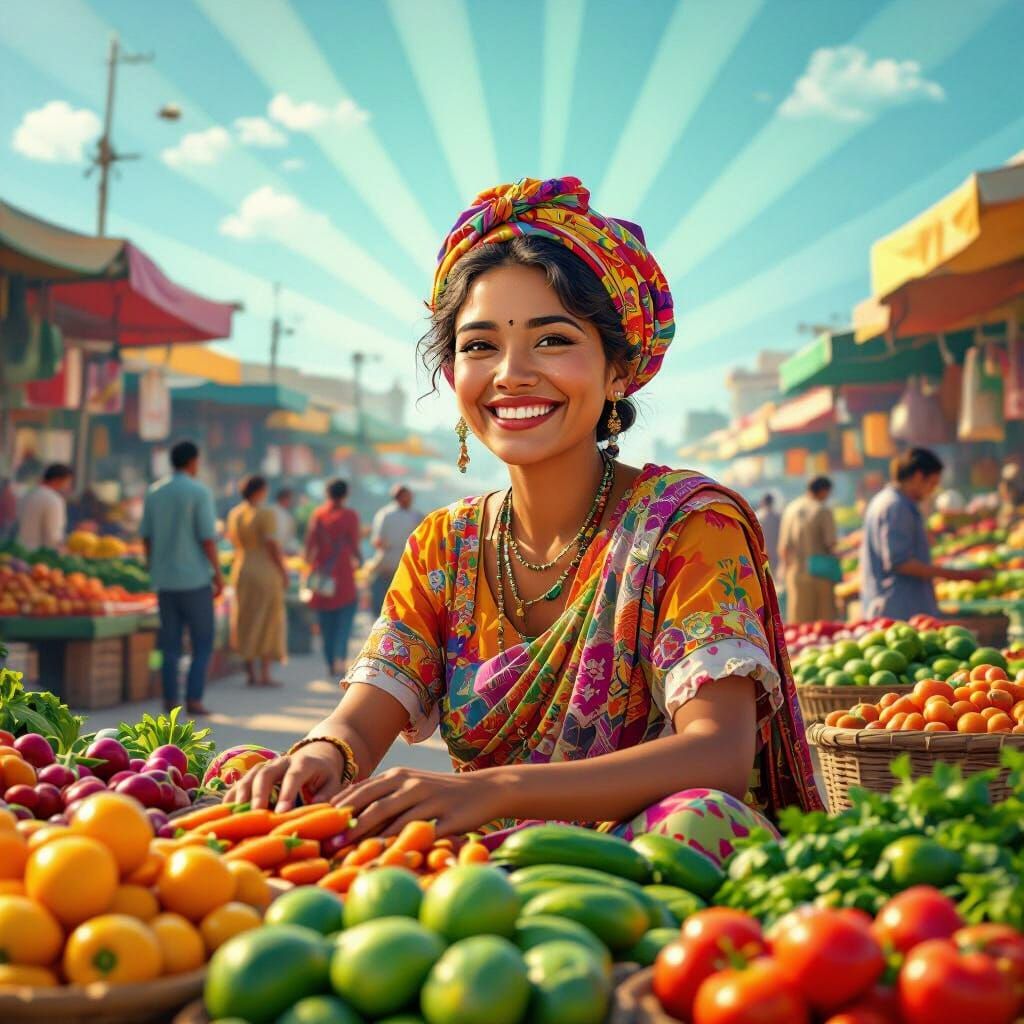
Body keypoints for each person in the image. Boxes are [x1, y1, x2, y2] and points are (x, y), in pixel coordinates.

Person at [226, 176, 821, 854]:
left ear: (619, 370)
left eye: (552, 340)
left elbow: (715, 755)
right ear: (454, 375)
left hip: (643, 870)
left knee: (702, 821)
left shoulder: (688, 528)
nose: (511, 373)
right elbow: (362, 724)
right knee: (248, 776)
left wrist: (496, 791)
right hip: (480, 869)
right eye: (480, 346)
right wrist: (324, 752)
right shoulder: (443, 546)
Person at [140, 440, 224, 715]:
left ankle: (169, 699)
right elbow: (207, 539)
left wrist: (154, 568)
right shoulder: (199, 492)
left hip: (165, 582)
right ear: (192, 462)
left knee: (170, 644)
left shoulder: (155, 492)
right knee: (202, 641)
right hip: (195, 580)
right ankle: (194, 699)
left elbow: (147, 538)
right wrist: (218, 575)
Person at [862, 448, 990, 620]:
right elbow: (901, 563)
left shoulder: (885, 500)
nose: (932, 490)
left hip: (894, 606)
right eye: (932, 484)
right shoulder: (896, 506)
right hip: (899, 610)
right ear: (918, 476)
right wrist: (958, 575)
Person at [226, 475, 288, 688]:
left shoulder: (235, 514)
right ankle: (265, 674)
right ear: (260, 490)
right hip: (264, 570)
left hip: (242, 569)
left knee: (246, 618)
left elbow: (233, 542)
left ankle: (251, 672)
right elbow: (272, 546)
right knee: (268, 620)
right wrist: (283, 571)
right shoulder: (265, 513)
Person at [304, 478, 361, 678]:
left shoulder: (318, 514)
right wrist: (360, 560)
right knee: (343, 624)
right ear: (345, 494)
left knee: (325, 624)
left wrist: (309, 568)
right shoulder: (350, 515)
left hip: (323, 575)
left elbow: (310, 545)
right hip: (344, 575)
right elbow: (354, 544)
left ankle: (330, 661)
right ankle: (340, 660)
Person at [778, 476, 837, 624]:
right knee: (822, 628)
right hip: (819, 576)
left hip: (795, 574)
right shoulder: (822, 510)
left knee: (799, 626)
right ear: (824, 491)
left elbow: (783, 547)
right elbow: (831, 544)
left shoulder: (790, 509)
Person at [369, 485, 422, 614]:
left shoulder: (386, 514)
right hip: (396, 566)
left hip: (395, 564)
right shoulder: (390, 515)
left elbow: (377, 542)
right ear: (400, 497)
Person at [16, 463, 73, 551]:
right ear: (57, 480)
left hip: (20, 551)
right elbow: (53, 537)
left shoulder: (26, 495)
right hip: (41, 557)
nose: (68, 487)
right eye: (68, 482)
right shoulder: (53, 500)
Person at [270, 487, 299, 554]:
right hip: (275, 552)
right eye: (291, 498)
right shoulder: (271, 512)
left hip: (281, 551)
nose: (292, 501)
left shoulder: (287, 516)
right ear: (284, 498)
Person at [756, 493, 781, 569]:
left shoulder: (757, 516)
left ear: (763, 502)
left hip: (761, 551)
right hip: (775, 551)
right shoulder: (778, 516)